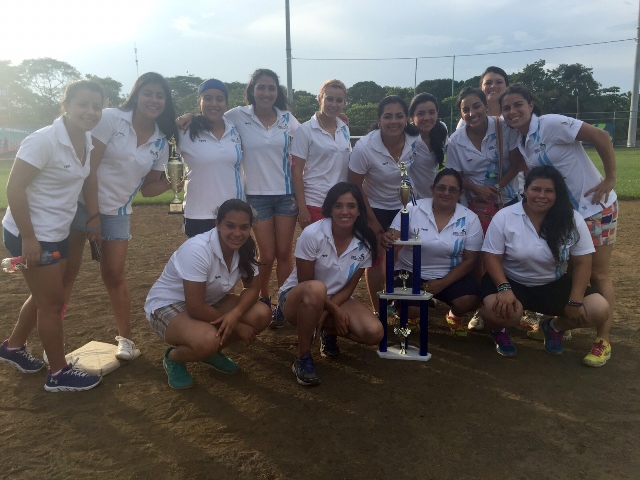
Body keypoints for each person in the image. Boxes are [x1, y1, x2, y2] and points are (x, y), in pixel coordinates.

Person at [499, 84, 617, 367]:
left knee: (598, 275)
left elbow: (600, 136)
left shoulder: (552, 124)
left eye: (518, 105)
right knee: (572, 269)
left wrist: (610, 178)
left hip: (594, 207)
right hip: (562, 214)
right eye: (506, 108)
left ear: (530, 104)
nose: (512, 112)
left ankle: (603, 340)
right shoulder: (522, 141)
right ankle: (556, 325)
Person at [0, 80, 105, 392]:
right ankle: (58, 374)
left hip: (56, 231)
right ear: (66, 105)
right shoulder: (43, 140)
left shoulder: (86, 140)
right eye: (83, 104)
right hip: (30, 233)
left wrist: (92, 222)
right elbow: (14, 189)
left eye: (96, 106)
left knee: (45, 295)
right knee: (52, 301)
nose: (90, 111)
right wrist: (29, 238)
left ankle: (13, 347)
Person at [67, 72, 178, 361]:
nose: (154, 100)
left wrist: (173, 183)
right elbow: (89, 169)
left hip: (116, 212)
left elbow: (148, 189)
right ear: (136, 94)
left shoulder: (160, 141)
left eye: (160, 95)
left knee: (114, 274)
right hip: (77, 205)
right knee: (66, 274)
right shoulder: (111, 118)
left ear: (165, 102)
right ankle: (51, 337)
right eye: (148, 93)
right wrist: (93, 217)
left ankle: (125, 340)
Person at [480, 166, 610, 362]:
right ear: (525, 190)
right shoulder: (505, 216)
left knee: (599, 309)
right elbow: (491, 257)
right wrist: (504, 287)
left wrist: (575, 301)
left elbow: (583, 262)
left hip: (552, 282)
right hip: (512, 280)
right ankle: (498, 330)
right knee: (495, 310)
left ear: (557, 194)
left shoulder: (572, 219)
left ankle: (553, 328)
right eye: (536, 189)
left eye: (549, 191)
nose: (541, 196)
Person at [144, 199, 271, 389]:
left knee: (261, 314)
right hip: (168, 305)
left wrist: (235, 315)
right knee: (207, 340)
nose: (237, 233)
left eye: (244, 227)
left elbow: (253, 288)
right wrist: (237, 327)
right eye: (230, 226)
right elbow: (195, 308)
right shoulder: (197, 249)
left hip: (209, 302)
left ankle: (209, 353)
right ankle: (174, 358)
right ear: (217, 224)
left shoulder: (245, 247)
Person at [278, 182, 382, 386]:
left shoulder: (366, 242)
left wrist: (328, 311)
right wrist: (333, 309)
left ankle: (325, 330)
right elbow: (306, 284)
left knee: (374, 333)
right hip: (297, 298)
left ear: (359, 210)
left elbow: (350, 287)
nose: (345, 211)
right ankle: (302, 356)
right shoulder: (312, 234)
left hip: (338, 298)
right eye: (338, 206)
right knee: (317, 289)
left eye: (351, 206)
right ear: (329, 209)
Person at [381, 169, 483, 336]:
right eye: (441, 187)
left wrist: (441, 284)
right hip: (410, 271)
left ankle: (453, 316)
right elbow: (393, 237)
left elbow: (470, 260)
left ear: (460, 193)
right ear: (432, 188)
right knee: (411, 310)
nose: (446, 193)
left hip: (449, 275)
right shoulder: (412, 209)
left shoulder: (470, 218)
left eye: (452, 189)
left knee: (468, 300)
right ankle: (412, 316)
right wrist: (387, 238)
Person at [348, 95, 420, 313]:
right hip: (374, 205)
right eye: (387, 116)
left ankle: (393, 299)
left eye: (399, 116)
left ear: (407, 118)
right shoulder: (365, 147)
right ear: (379, 119)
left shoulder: (414, 140)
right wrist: (372, 220)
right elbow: (355, 186)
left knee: (395, 254)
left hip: (404, 206)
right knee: (378, 258)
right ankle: (378, 310)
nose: (394, 121)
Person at [178, 79, 243, 237]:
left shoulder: (235, 128)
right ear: (199, 102)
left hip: (233, 214)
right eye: (207, 98)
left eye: (219, 99)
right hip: (198, 214)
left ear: (226, 104)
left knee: (232, 261)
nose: (214, 103)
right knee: (202, 261)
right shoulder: (183, 130)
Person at [291, 79, 351, 229]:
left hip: (340, 203)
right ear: (320, 99)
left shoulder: (344, 128)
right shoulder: (305, 130)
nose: (334, 104)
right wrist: (302, 208)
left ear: (344, 103)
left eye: (339, 100)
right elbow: (296, 171)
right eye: (329, 99)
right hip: (315, 202)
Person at [406, 93, 448, 200]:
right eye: (421, 113)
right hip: (412, 199)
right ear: (411, 117)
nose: (427, 118)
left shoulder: (441, 131)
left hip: (435, 195)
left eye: (431, 112)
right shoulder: (406, 137)